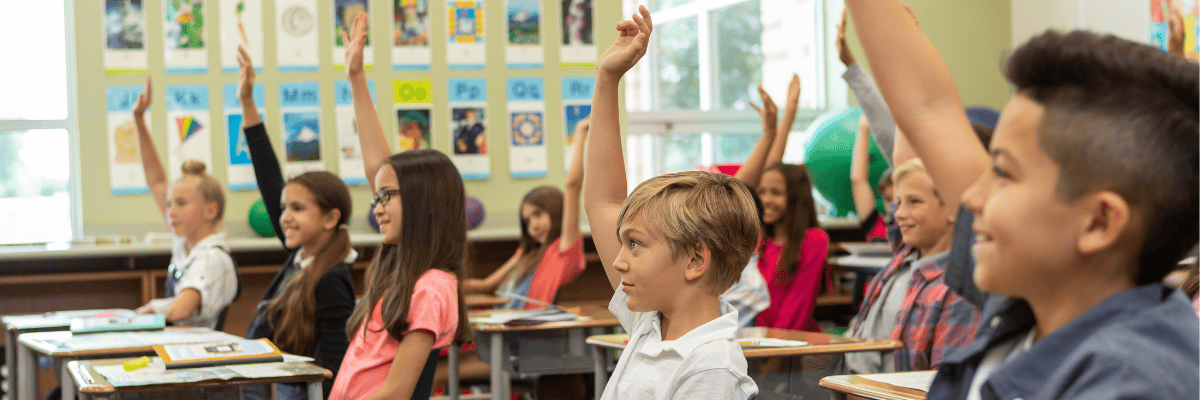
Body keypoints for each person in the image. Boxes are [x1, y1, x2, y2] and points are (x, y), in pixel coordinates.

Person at [847, 0, 1200, 398]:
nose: (972, 197)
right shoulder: (1033, 299)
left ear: (1098, 223)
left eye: (1002, 173)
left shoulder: (1133, 382)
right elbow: (931, 110)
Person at [584, 7, 758, 398]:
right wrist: (606, 79)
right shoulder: (651, 321)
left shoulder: (711, 367)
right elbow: (603, 201)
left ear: (696, 261)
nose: (618, 260)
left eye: (636, 244)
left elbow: (604, 203)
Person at [328, 13, 471, 400]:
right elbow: (381, 169)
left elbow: (397, 392)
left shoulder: (431, 286)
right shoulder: (400, 272)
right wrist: (356, 79)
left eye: (387, 196)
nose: (378, 206)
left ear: (424, 202)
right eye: (377, 197)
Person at [236, 45, 356, 399]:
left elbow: (334, 366)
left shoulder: (331, 280)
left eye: (298, 209)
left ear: (331, 218)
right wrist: (246, 103)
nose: (285, 217)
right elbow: (269, 176)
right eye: (284, 208)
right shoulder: (302, 258)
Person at [131, 77, 237, 330]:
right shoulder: (185, 244)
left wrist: (151, 309)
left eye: (181, 204)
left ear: (211, 210)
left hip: (195, 359)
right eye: (169, 204)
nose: (171, 212)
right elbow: (156, 180)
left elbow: (181, 309)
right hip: (176, 348)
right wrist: (138, 120)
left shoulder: (213, 257)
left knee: (128, 366)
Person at [464, 119, 588, 309]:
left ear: (556, 211)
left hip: (534, 333)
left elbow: (572, 187)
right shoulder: (526, 253)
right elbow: (486, 285)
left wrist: (581, 133)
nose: (533, 227)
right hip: (509, 330)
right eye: (527, 221)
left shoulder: (563, 250)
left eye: (538, 214)